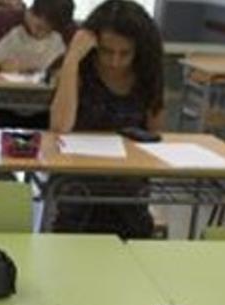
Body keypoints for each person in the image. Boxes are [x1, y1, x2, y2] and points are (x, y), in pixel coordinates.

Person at [49, 0, 163, 238]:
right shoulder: (81, 70)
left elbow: (155, 138)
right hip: (78, 184)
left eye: (125, 53)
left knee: (135, 231)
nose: (114, 61)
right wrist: (72, 59)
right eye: (106, 51)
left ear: (139, 49)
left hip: (128, 188)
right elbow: (60, 126)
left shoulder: (147, 73)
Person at [0, 0, 73, 74]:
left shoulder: (66, 30)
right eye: (39, 28)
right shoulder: (3, 20)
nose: (41, 35)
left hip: (45, 104)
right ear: (30, 12)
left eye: (50, 31)